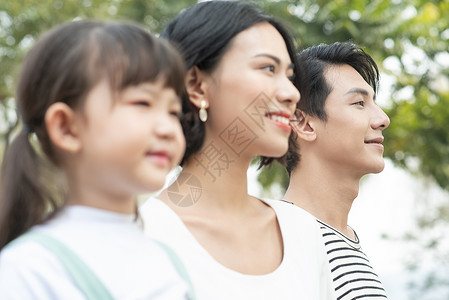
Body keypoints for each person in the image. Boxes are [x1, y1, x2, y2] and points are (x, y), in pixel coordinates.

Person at [140, 1, 334, 299]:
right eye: (267, 68)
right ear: (196, 85)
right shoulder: (144, 237)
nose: (292, 93)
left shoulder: (303, 232)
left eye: (290, 75)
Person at [0, 20, 194, 299]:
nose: (168, 129)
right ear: (66, 127)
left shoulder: (168, 260)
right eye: (143, 103)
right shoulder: (32, 268)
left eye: (174, 112)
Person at [282, 42, 390, 299]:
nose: (383, 119)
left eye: (373, 102)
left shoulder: (347, 239)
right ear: (304, 124)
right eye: (359, 103)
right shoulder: (283, 240)